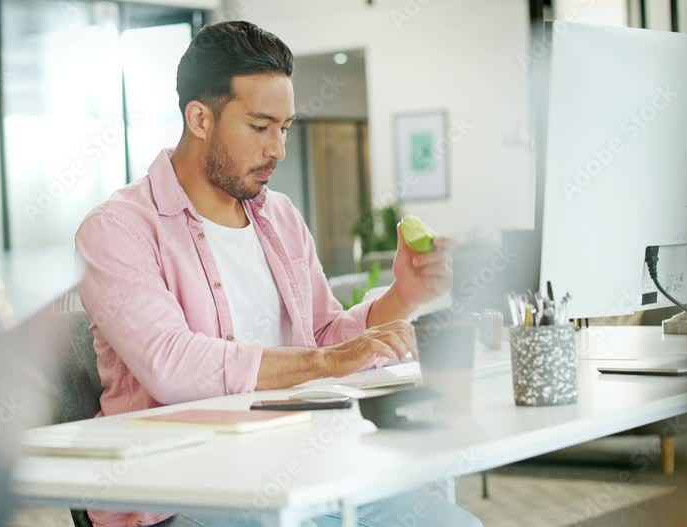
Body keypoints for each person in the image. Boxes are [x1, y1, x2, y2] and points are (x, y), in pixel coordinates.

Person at [75, 21, 481, 527]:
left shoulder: (280, 216)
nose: (278, 150)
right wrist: (323, 361)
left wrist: (403, 296)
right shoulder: (118, 229)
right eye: (260, 126)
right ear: (200, 119)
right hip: (182, 492)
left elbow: (324, 337)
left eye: (285, 127)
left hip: (300, 470)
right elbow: (172, 366)